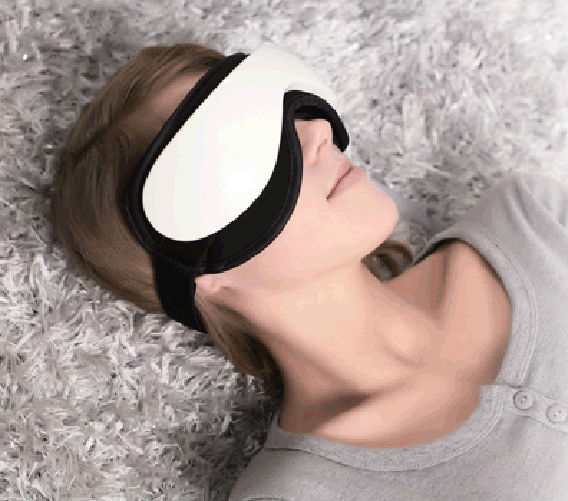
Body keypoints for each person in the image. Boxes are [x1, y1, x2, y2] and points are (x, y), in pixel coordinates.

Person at [50, 42, 568, 501]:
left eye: (285, 105)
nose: (318, 130)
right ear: (203, 270)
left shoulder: (531, 221)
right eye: (243, 147)